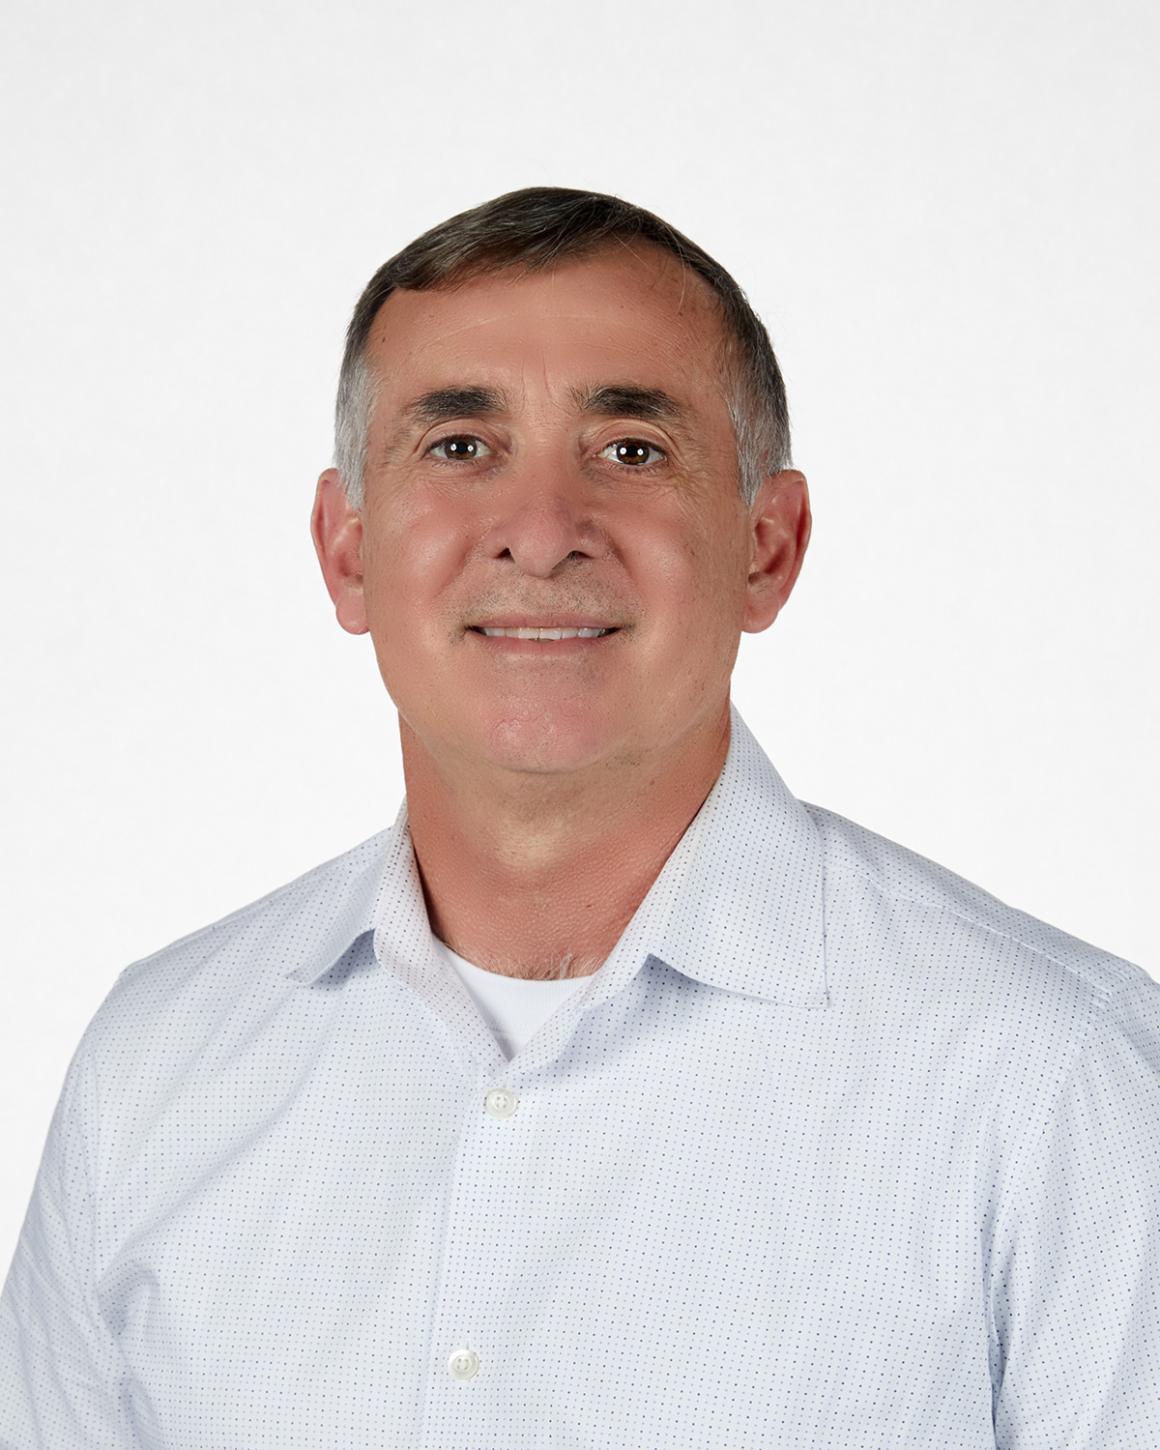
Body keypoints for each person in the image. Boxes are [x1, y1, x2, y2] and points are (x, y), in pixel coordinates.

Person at [1, 185, 1156, 1449]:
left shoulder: (1059, 1082)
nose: (542, 534)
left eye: (630, 449)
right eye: (458, 447)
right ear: (347, 551)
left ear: (767, 546)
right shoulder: (154, 1066)